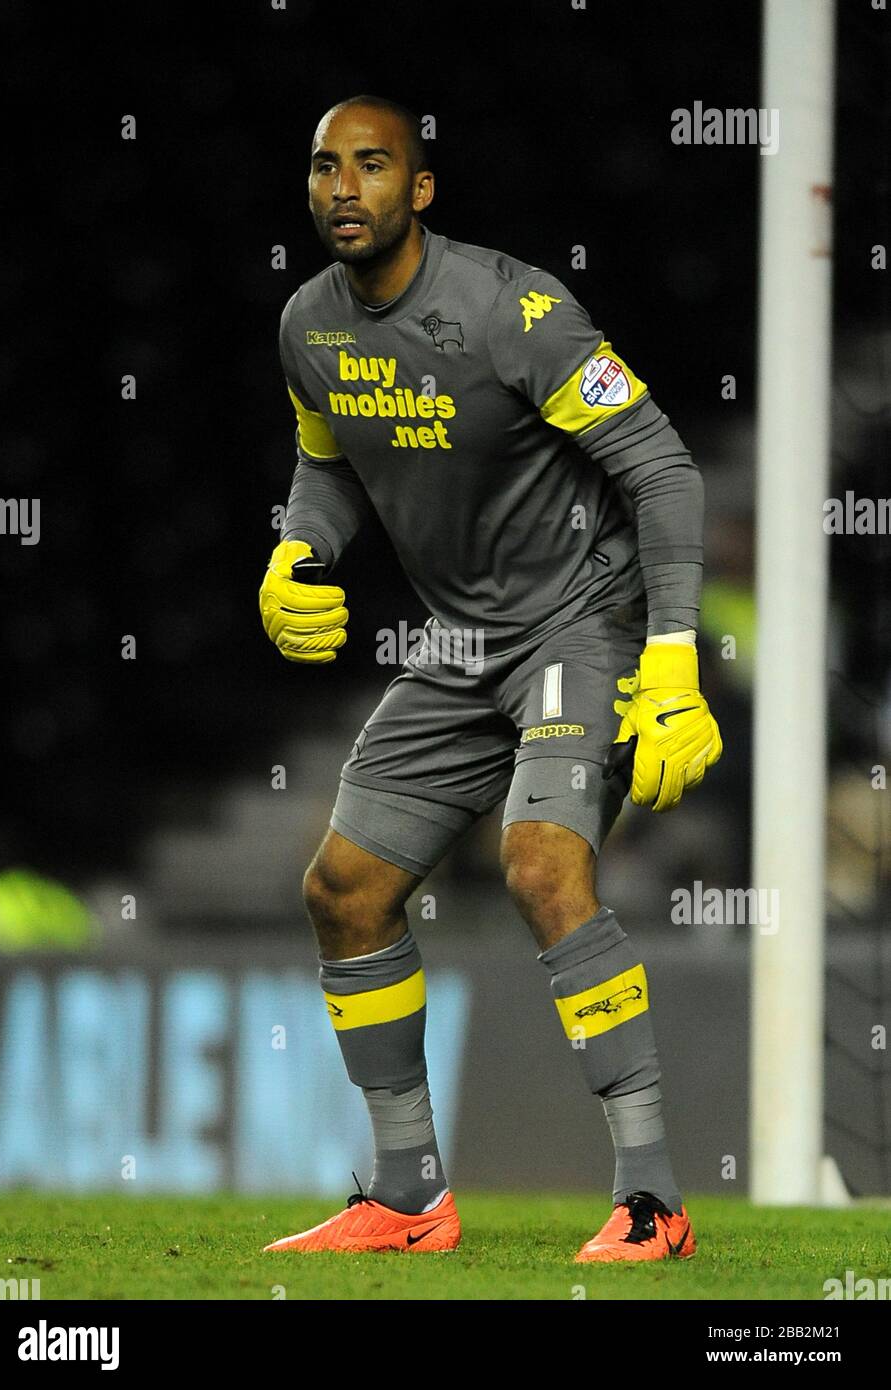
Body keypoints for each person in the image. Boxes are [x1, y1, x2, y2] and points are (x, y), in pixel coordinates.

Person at [259, 94, 721, 1262]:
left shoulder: (512, 309)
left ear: (418, 189)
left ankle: (653, 1201)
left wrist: (672, 660)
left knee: (538, 863)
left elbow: (663, 471)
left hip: (583, 620)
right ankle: (409, 1199)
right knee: (344, 887)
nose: (344, 187)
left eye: (372, 165)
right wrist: (294, 548)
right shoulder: (308, 326)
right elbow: (328, 467)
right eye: (325, 168)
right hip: (460, 642)